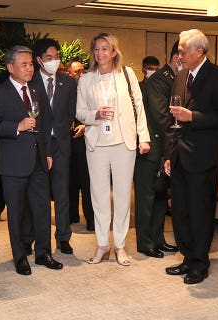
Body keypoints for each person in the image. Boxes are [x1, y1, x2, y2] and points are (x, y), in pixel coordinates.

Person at [0, 45, 63, 276]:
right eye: (24, 64)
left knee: (41, 210)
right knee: (17, 213)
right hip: (13, 164)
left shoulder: (36, 91)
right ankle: (20, 257)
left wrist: (47, 152)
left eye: (31, 64)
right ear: (11, 68)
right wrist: (16, 127)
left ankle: (43, 253)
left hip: (38, 161)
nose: (30, 68)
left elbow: (46, 124)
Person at [163, 29, 218, 284]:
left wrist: (193, 116)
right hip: (180, 155)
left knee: (200, 212)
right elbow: (172, 120)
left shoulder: (217, 76)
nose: (179, 55)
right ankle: (187, 257)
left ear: (199, 51)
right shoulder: (180, 76)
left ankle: (200, 263)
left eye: (183, 51)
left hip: (203, 157)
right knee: (180, 211)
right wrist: (169, 155)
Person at [76, 33, 151, 266]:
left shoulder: (127, 75)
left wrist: (144, 138)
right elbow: (79, 113)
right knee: (98, 197)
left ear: (114, 52)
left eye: (105, 49)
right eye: (96, 49)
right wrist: (95, 115)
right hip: (97, 144)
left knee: (121, 197)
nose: (100, 53)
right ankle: (102, 245)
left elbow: (139, 107)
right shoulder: (86, 79)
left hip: (123, 144)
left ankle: (119, 246)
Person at [135, 41, 181, 259]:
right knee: (147, 197)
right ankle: (145, 242)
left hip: (166, 149)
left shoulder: (177, 80)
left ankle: (158, 238)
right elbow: (162, 117)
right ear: (176, 57)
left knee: (161, 196)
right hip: (152, 147)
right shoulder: (159, 80)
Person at [30, 38, 77, 254]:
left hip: (61, 144)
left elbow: (70, 114)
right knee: (37, 194)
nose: (54, 61)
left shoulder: (67, 83)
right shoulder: (31, 82)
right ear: (39, 60)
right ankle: (34, 236)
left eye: (56, 57)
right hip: (37, 143)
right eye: (49, 58)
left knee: (62, 192)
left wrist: (60, 131)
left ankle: (63, 236)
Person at [65, 60, 94, 231]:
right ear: (68, 74)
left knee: (87, 181)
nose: (80, 74)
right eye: (76, 72)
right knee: (69, 181)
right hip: (67, 142)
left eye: (83, 71)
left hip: (85, 141)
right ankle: (71, 214)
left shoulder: (90, 91)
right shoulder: (63, 90)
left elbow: (96, 113)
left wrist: (86, 125)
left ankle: (91, 219)